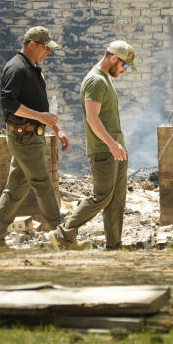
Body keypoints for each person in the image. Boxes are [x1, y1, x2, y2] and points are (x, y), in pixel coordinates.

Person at [0, 26, 70, 254]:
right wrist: (41, 118)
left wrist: (56, 129)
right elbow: (9, 103)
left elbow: (40, 107)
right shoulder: (16, 68)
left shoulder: (33, 69)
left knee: (15, 191)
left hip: (31, 136)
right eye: (45, 48)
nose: (48, 53)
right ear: (32, 44)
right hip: (24, 137)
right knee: (43, 184)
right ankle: (62, 237)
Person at [47, 40, 135, 251]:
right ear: (114, 58)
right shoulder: (95, 81)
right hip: (104, 149)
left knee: (116, 200)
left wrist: (117, 145)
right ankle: (63, 232)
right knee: (101, 197)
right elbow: (92, 118)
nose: (124, 71)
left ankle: (114, 244)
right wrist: (112, 144)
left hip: (115, 148)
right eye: (123, 66)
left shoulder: (105, 78)